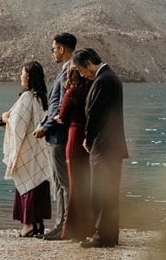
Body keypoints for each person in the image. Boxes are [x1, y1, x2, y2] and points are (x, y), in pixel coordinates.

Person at [77, 47, 129, 248]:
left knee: (100, 191)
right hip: (113, 144)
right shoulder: (111, 77)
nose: (82, 75)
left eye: (82, 70)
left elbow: (94, 114)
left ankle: (102, 236)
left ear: (89, 63)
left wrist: (88, 139)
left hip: (105, 145)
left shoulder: (102, 80)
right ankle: (108, 235)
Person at [0, 61, 54, 237]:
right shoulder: (41, 97)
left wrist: (6, 118)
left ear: (29, 76)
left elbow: (18, 125)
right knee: (38, 182)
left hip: (26, 149)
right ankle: (38, 224)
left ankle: (28, 225)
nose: (20, 76)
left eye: (22, 73)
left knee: (27, 184)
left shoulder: (27, 97)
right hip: (39, 148)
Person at [32, 32, 77, 238]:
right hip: (56, 134)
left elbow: (60, 106)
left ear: (61, 49)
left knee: (62, 183)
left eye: (53, 49)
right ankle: (63, 225)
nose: (52, 53)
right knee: (60, 183)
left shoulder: (69, 71)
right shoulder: (65, 70)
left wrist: (45, 127)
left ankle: (63, 226)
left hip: (59, 136)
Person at [56, 62, 93, 242]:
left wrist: (57, 116)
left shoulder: (71, 93)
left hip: (73, 135)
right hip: (87, 139)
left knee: (73, 185)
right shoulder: (90, 91)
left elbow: (62, 117)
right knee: (85, 184)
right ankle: (88, 226)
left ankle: (72, 230)